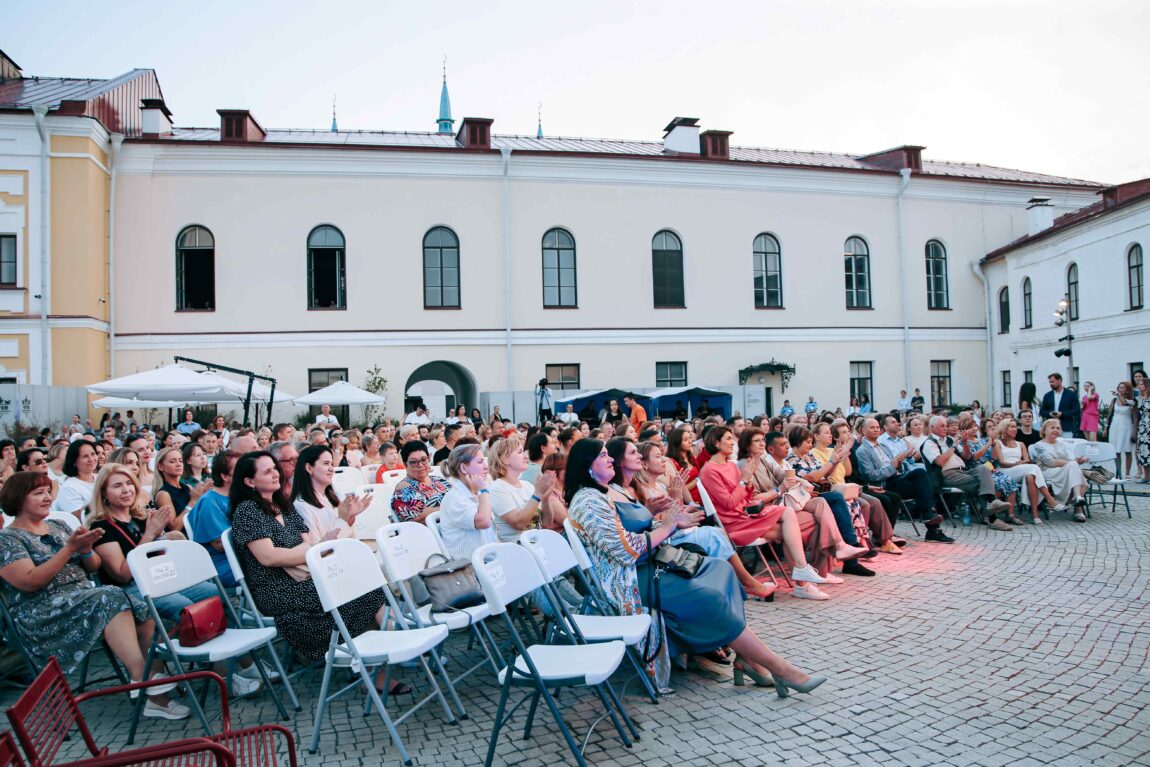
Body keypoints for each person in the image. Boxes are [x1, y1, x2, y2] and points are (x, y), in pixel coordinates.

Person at [565, 439, 826, 696]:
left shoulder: (600, 495)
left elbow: (630, 535)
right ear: (587, 465)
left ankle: (748, 659)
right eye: (602, 456)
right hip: (628, 581)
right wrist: (668, 525)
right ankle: (781, 669)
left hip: (647, 565)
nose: (609, 458)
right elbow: (626, 549)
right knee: (708, 596)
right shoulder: (589, 501)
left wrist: (671, 523)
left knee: (721, 572)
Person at [0, 472, 188, 719]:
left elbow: (93, 567)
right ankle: (143, 678)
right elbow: (29, 582)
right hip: (43, 614)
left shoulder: (58, 526)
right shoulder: (8, 539)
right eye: (38, 493)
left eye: (48, 492)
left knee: (139, 606)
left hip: (83, 601)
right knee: (111, 598)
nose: (47, 498)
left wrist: (87, 550)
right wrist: (69, 549)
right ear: (18, 500)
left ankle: (154, 690)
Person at [227, 452, 404, 694]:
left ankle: (380, 659)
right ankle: (384, 659)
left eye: (274, 468)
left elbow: (312, 543)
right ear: (249, 482)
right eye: (267, 471)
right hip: (278, 589)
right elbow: (269, 557)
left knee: (367, 585)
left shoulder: (283, 506)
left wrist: (318, 543)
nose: (276, 474)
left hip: (305, 577)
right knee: (358, 592)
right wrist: (311, 550)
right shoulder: (248, 511)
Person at [699, 426, 860, 600]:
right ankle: (803, 579)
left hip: (748, 515)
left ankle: (804, 576)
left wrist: (749, 482)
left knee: (803, 516)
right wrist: (746, 480)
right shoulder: (710, 470)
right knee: (799, 519)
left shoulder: (731, 465)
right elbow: (730, 503)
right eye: (729, 439)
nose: (733, 442)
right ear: (716, 442)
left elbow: (746, 496)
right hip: (736, 522)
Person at [611, 439, 777, 601]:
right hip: (663, 540)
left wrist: (685, 511)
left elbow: (671, 516)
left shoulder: (659, 487)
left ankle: (730, 588)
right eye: (657, 456)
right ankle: (744, 584)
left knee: (716, 534)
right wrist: (676, 500)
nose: (664, 460)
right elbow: (658, 521)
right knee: (715, 536)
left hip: (671, 533)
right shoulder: (638, 490)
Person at [855, 418, 953, 543]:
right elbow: (871, 475)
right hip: (882, 483)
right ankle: (931, 525)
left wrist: (899, 463)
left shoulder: (883, 447)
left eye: (877, 427)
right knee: (917, 487)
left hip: (896, 478)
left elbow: (896, 466)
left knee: (920, 473)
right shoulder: (862, 451)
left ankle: (930, 519)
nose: (876, 430)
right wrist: (893, 466)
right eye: (872, 427)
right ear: (863, 430)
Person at [921, 416, 1011, 518]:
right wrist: (954, 445)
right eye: (942, 426)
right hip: (946, 474)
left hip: (963, 471)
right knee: (984, 482)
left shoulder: (949, 439)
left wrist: (964, 442)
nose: (945, 428)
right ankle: (991, 516)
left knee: (983, 468)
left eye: (946, 426)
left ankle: (990, 508)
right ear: (932, 428)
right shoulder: (929, 443)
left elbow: (968, 457)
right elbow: (940, 462)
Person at [993, 419, 1065, 524]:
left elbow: (1027, 460)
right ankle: (1050, 500)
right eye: (1011, 427)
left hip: (1021, 470)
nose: (1015, 429)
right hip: (1005, 471)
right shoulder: (997, 443)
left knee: (1030, 476)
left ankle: (1035, 515)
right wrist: (1016, 464)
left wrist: (1021, 463)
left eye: (1015, 427)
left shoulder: (1020, 444)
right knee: (1034, 468)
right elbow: (1002, 463)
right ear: (1004, 428)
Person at [187, 451, 242, 585]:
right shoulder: (210, 502)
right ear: (224, 476)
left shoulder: (241, 495)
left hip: (246, 556)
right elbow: (221, 544)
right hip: (227, 562)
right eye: (240, 469)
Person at [291, 445, 366, 540]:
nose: (332, 469)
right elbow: (318, 550)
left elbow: (350, 539)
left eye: (331, 464)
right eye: (326, 463)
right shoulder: (301, 506)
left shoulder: (337, 497)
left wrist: (351, 516)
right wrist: (344, 519)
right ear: (309, 468)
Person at [436, 444, 496, 559]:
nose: (485, 467)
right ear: (464, 468)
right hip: (470, 568)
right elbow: (484, 522)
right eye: (480, 462)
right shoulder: (455, 498)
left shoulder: (473, 493)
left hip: (487, 561)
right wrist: (483, 490)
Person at [1029, 420, 1089, 521]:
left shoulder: (1062, 444)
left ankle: (1078, 499)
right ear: (1044, 430)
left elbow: (1069, 460)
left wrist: (1077, 461)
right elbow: (1050, 462)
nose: (1055, 430)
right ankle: (1078, 507)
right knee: (1074, 467)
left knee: (1073, 467)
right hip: (1047, 472)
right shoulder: (1038, 445)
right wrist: (1073, 462)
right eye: (1052, 427)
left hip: (1064, 471)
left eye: (1058, 428)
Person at [152, 447, 211, 533]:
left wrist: (204, 496)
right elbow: (175, 528)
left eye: (180, 461)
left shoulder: (187, 487)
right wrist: (193, 502)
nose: (178, 464)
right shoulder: (163, 494)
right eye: (172, 461)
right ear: (161, 467)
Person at [391, 441, 452, 523]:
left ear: (429, 459)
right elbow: (417, 516)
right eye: (413, 462)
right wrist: (450, 506)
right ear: (405, 465)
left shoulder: (438, 480)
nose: (420, 465)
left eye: (423, 459)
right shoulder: (404, 488)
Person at [51, 440, 99, 517]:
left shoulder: (101, 478)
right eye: (85, 456)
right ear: (74, 462)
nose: (91, 459)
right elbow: (79, 519)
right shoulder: (69, 488)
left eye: (93, 454)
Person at [1107, 382, 1137, 479]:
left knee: (1127, 450)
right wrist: (1106, 427)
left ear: (1127, 389)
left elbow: (1125, 403)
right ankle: (1118, 471)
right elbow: (1110, 414)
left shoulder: (1131, 401)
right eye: (1119, 387)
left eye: (1122, 388)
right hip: (1115, 425)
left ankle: (1127, 473)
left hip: (1126, 426)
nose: (1120, 389)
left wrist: (1135, 431)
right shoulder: (1114, 400)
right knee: (1116, 451)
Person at [1039, 373, 1081, 438]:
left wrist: (1062, 414)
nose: (1051, 384)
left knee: (1066, 446)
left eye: (1052, 381)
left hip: (1066, 427)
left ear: (1059, 380)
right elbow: (1042, 411)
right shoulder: (1047, 395)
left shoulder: (1071, 394)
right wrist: (1049, 414)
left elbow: (1076, 410)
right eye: (1050, 382)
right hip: (1051, 428)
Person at [1136, 376, 1150, 483]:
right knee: (1143, 449)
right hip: (1143, 426)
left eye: (1141, 384)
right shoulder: (1139, 398)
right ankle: (1146, 476)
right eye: (1139, 384)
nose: (1139, 386)